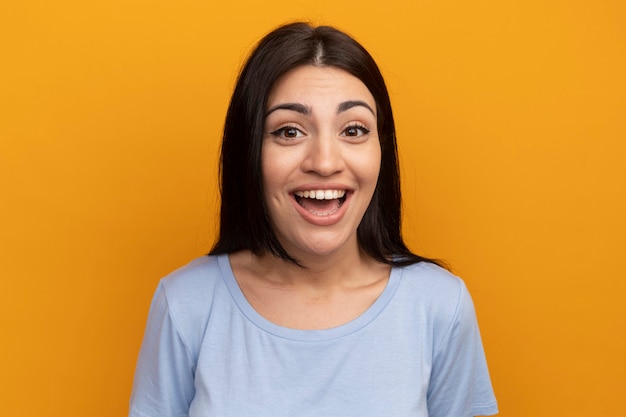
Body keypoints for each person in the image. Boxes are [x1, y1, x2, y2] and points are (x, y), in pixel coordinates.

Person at [129, 22, 498, 417]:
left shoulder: (440, 306)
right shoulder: (185, 304)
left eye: (353, 130)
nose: (324, 163)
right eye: (289, 131)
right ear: (249, 151)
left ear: (381, 151)